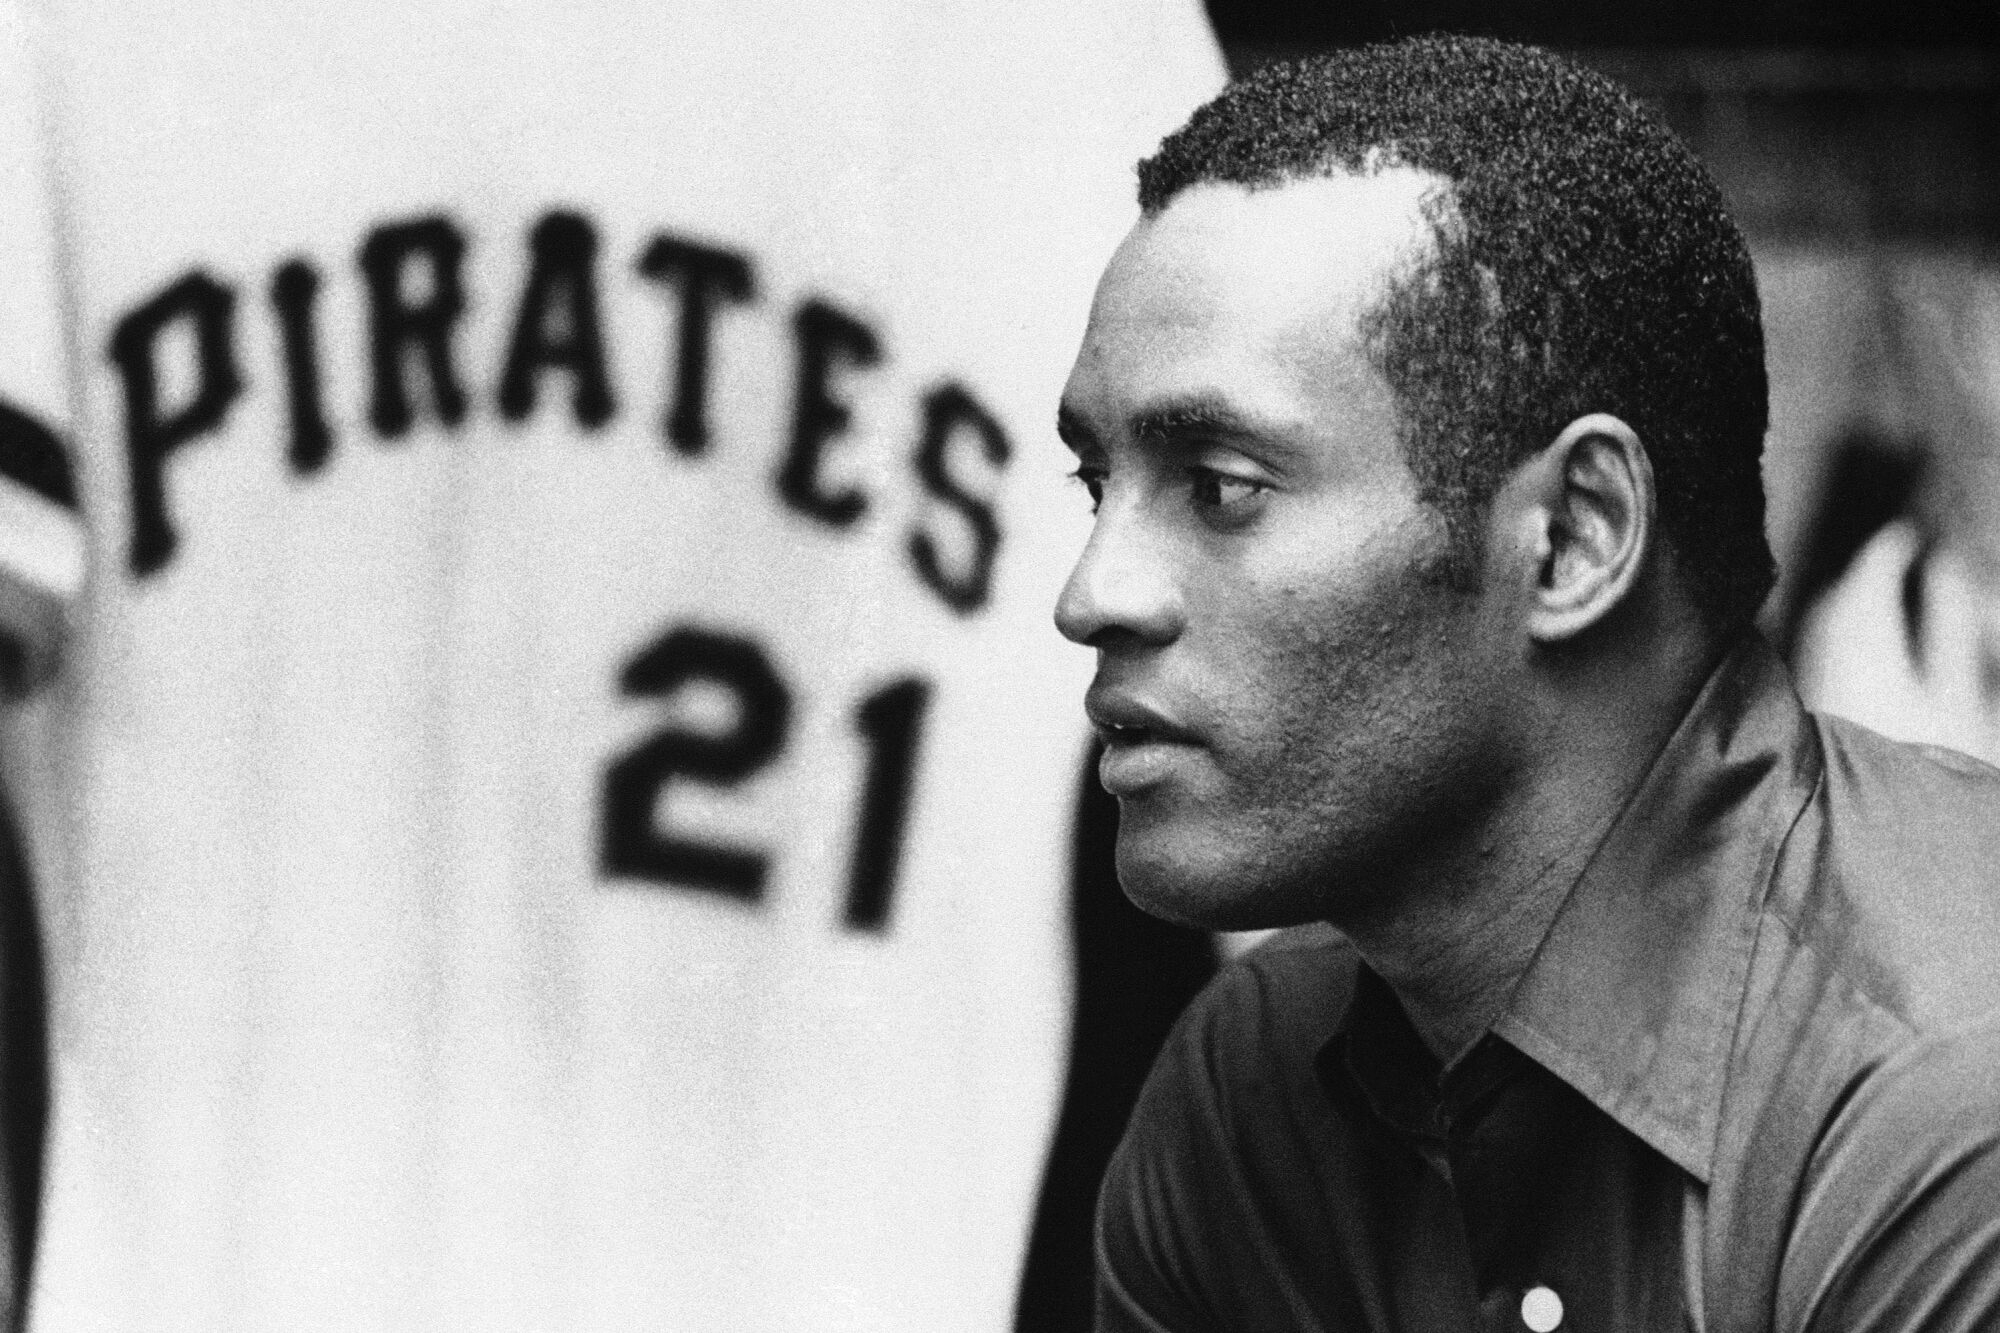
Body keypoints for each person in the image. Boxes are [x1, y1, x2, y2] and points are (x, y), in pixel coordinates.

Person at [1054, 36, 2000, 1332]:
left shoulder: (1946, 1086)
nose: (1090, 592)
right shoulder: (1245, 1092)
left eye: (1221, 486)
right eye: (1095, 485)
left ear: (1571, 539)